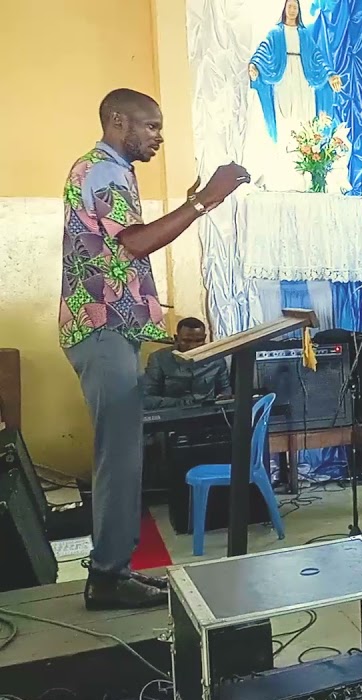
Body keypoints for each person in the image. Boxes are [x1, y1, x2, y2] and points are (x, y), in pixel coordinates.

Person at [62, 88, 248, 609]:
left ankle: (115, 570)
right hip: (99, 328)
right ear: (118, 121)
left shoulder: (114, 170)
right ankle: (108, 577)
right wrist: (203, 200)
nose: (158, 137)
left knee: (122, 455)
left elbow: (125, 242)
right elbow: (136, 243)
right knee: (118, 457)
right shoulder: (99, 168)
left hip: (111, 327)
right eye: (151, 126)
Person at [247, 0, 342, 144]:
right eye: (289, 7)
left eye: (295, 7)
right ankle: (285, 146)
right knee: (284, 111)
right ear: (284, 9)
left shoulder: (304, 33)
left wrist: (329, 74)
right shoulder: (275, 32)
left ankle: (306, 150)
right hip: (284, 76)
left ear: (299, 11)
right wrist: (254, 64)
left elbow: (316, 55)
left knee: (304, 110)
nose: (292, 10)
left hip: (303, 75)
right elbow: (264, 48)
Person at [143, 318, 231, 409]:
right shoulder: (159, 359)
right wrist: (183, 403)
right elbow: (147, 399)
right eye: (187, 341)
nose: (193, 346)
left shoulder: (216, 358)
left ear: (205, 338)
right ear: (176, 338)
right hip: (173, 415)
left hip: (208, 414)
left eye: (198, 341)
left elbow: (225, 389)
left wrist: (223, 397)